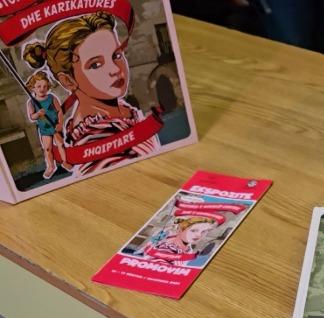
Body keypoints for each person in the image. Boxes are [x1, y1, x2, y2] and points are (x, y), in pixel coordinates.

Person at [23, 12, 158, 177]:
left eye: (116, 55)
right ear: (68, 81)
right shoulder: (95, 138)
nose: (115, 69)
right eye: (95, 65)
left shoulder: (120, 110)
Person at [25, 71, 72, 179]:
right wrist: (38, 114)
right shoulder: (31, 102)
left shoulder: (51, 98)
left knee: (61, 145)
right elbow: (32, 117)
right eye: (39, 86)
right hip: (44, 129)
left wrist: (60, 123)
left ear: (48, 87)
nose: (42, 89)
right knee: (47, 148)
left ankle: (65, 162)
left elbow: (59, 111)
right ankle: (51, 166)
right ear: (33, 88)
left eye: (45, 86)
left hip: (55, 126)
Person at [148, 216, 216, 263]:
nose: (199, 235)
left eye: (203, 232)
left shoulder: (188, 249)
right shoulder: (168, 247)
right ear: (180, 230)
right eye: (193, 230)